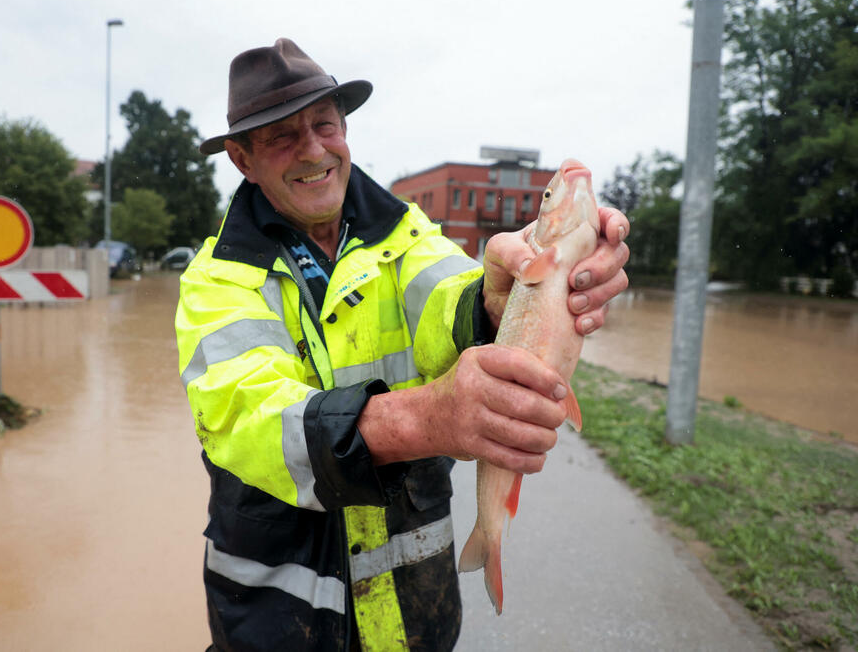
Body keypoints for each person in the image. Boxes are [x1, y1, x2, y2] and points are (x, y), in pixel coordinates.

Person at [176, 38, 629, 651]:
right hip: (275, 630)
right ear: (241, 159)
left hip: (419, 623)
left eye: (325, 124)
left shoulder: (409, 234)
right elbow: (247, 418)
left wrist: (496, 299)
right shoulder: (215, 280)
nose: (313, 149)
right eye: (282, 136)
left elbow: (451, 297)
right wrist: (430, 417)